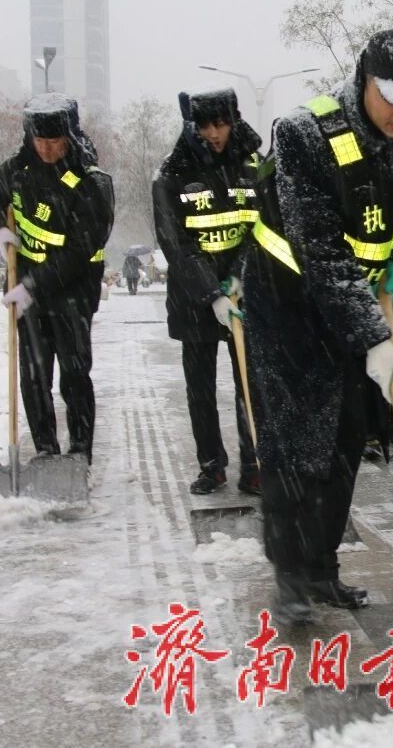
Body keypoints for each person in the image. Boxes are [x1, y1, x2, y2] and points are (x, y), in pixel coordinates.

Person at [243, 28, 393, 622]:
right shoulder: (306, 133)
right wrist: (376, 340)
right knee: (294, 444)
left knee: (344, 441)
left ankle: (323, 568)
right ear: (365, 81)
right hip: (288, 303)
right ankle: (291, 579)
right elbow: (322, 253)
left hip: (361, 298)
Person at [0, 93, 114, 464]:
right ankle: (46, 453)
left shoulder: (91, 182)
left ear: (69, 137)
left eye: (55, 142)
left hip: (72, 293)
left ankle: (80, 452)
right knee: (35, 378)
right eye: (40, 141)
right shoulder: (18, 170)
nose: (47, 149)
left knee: (73, 375)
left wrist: (31, 286)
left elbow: (79, 249)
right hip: (28, 297)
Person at [153, 87, 261, 497]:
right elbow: (175, 243)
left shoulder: (252, 163)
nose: (215, 134)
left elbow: (262, 228)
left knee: (251, 383)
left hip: (245, 293)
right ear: (192, 127)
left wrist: (238, 276)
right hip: (193, 299)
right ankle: (211, 464)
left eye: (222, 124)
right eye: (205, 126)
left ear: (234, 120)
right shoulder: (171, 173)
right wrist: (212, 294)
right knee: (200, 389)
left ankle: (253, 465)